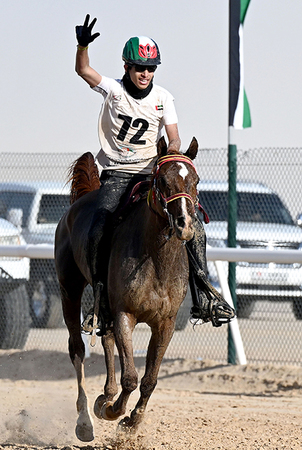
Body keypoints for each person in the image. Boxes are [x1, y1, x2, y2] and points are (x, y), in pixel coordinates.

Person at [74, 14, 235, 327]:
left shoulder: (163, 98)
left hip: (150, 174)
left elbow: (173, 134)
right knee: (99, 226)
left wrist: (173, 150)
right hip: (118, 174)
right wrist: (82, 46)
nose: (145, 73)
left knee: (194, 224)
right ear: (127, 68)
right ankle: (99, 301)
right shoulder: (113, 90)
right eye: (139, 68)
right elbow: (83, 70)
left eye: (150, 68)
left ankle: (204, 294)